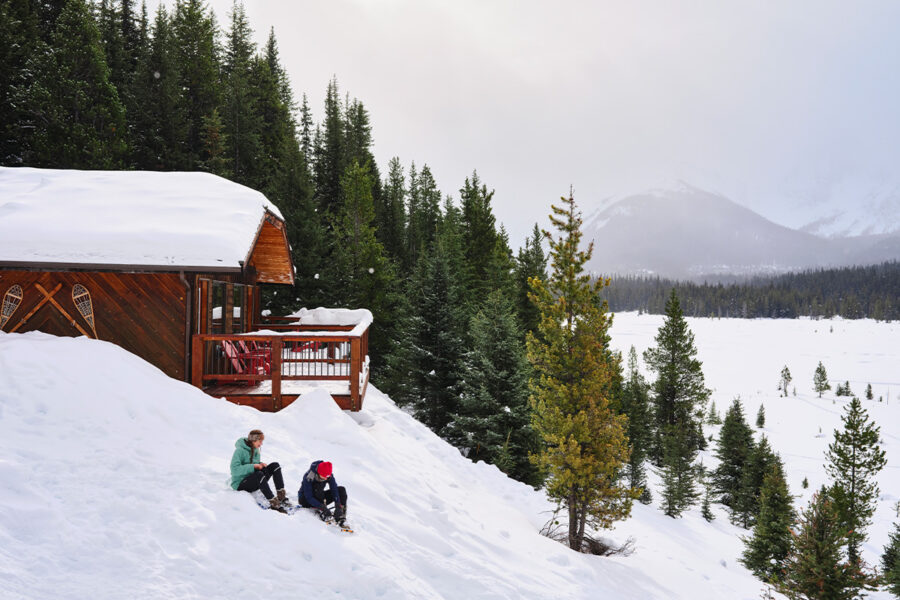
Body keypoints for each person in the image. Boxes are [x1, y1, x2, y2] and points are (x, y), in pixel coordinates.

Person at [230, 429, 291, 513]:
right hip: (241, 483)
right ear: (254, 440)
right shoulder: (239, 451)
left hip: (253, 479)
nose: (261, 443)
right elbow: (234, 470)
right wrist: (254, 466)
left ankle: (282, 497)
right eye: (260, 441)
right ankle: (274, 504)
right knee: (259, 474)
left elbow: (253, 463)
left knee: (275, 466)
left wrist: (260, 464)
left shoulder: (255, 450)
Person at [298, 460, 347, 525]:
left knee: (341, 490)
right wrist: (322, 507)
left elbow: (334, 489)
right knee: (317, 487)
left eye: (328, 477)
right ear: (319, 473)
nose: (326, 479)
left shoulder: (328, 475)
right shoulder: (309, 476)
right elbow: (309, 497)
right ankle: (320, 509)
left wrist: (338, 505)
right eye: (324, 477)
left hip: (319, 496)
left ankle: (340, 516)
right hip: (305, 499)